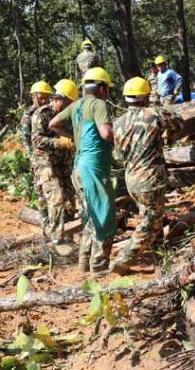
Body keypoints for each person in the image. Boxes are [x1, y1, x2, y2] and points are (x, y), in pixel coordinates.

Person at [109, 77, 183, 274]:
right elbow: (178, 122)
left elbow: (117, 154)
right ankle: (124, 259)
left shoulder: (117, 123)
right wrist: (168, 136)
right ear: (145, 97)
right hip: (151, 179)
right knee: (151, 221)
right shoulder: (154, 113)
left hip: (132, 180)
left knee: (151, 215)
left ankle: (159, 254)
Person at [50, 67, 116, 274]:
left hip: (78, 167)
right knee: (103, 214)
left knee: (89, 214)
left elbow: (54, 124)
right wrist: (127, 136)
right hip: (93, 167)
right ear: (102, 88)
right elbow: (106, 134)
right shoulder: (99, 105)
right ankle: (99, 266)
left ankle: (84, 264)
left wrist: (74, 136)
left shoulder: (76, 105)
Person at [30, 79, 78, 253]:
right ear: (60, 99)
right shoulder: (42, 114)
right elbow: (36, 140)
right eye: (69, 103)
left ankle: (60, 234)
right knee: (55, 197)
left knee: (70, 202)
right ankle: (57, 240)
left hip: (63, 164)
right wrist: (60, 142)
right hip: (45, 162)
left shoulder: (69, 115)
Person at [21, 81, 53, 156]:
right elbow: (27, 142)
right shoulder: (28, 117)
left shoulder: (52, 111)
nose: (44, 101)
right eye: (41, 98)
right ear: (33, 98)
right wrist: (31, 158)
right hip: (40, 157)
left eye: (46, 97)